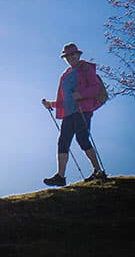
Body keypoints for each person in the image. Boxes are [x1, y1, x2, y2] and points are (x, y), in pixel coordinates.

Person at [41, 43, 107, 186]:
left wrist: (81, 95)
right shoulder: (65, 74)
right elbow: (63, 99)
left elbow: (95, 88)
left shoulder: (86, 68)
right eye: (67, 56)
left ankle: (98, 170)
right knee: (63, 141)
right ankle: (60, 176)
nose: (70, 58)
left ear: (78, 55)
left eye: (72, 55)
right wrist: (51, 104)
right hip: (69, 112)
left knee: (82, 138)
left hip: (82, 109)